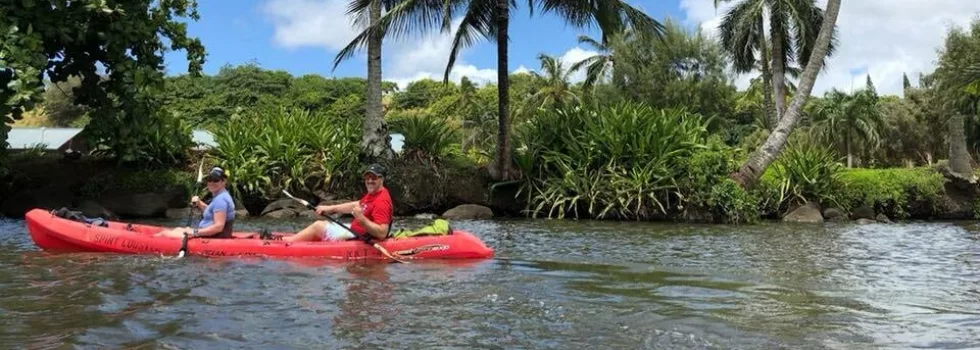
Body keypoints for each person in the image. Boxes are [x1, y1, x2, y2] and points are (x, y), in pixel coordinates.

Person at [283, 163, 393, 243]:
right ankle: (293, 239)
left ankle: (287, 243)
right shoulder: (373, 194)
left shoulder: (382, 201)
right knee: (324, 224)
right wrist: (330, 209)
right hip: (354, 231)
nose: (369, 181)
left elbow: (382, 233)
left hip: (359, 237)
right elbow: (356, 205)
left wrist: (362, 220)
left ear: (381, 179)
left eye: (373, 178)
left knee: (318, 226)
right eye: (367, 178)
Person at [156, 167, 237, 239]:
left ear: (223, 181)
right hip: (209, 235)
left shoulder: (221, 200)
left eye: (216, 180)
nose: (211, 182)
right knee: (178, 229)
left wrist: (194, 232)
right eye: (209, 179)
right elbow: (212, 212)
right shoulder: (221, 196)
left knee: (164, 234)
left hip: (213, 237)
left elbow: (218, 227)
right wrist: (199, 203)